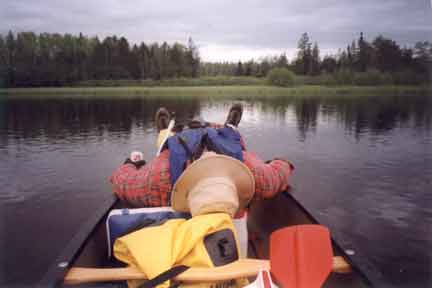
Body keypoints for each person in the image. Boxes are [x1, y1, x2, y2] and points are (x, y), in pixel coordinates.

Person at [110, 104, 294, 208]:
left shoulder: (158, 177)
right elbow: (277, 175)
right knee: (230, 139)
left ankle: (167, 133)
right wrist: (279, 162)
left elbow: (123, 182)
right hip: (227, 155)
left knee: (173, 141)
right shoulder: (250, 170)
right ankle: (228, 128)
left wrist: (131, 164)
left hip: (179, 158)